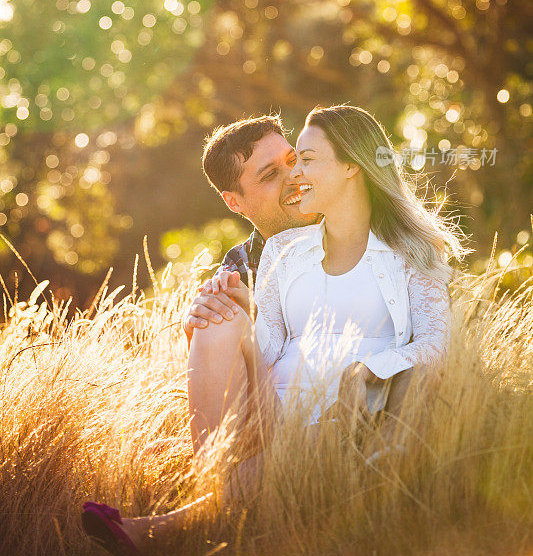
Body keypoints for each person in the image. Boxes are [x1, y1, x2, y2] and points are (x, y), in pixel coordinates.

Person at [81, 107, 468, 555]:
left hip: (349, 410)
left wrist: (370, 373)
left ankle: (175, 525)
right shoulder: (281, 251)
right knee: (218, 320)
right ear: (236, 200)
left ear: (351, 166)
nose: (295, 175)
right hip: (270, 406)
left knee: (327, 425)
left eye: (301, 161)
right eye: (276, 171)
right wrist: (236, 315)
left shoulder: (409, 249)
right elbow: (269, 343)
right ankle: (212, 493)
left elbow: (436, 345)